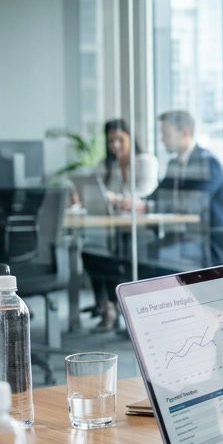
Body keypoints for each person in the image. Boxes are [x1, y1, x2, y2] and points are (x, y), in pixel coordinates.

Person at [141, 109, 223, 268]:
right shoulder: (174, 164)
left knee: (150, 255)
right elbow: (158, 196)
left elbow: (192, 205)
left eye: (167, 134)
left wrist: (147, 206)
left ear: (184, 133)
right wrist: (135, 203)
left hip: (209, 244)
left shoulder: (207, 164)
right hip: (185, 238)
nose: (162, 139)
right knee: (142, 251)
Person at [88, 118, 159, 330]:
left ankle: (123, 308)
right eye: (111, 141)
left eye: (120, 139)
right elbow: (98, 195)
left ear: (130, 137)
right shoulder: (105, 165)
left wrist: (116, 198)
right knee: (91, 250)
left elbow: (141, 197)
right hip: (115, 228)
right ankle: (109, 305)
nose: (115, 145)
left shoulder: (144, 161)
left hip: (141, 229)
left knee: (115, 252)